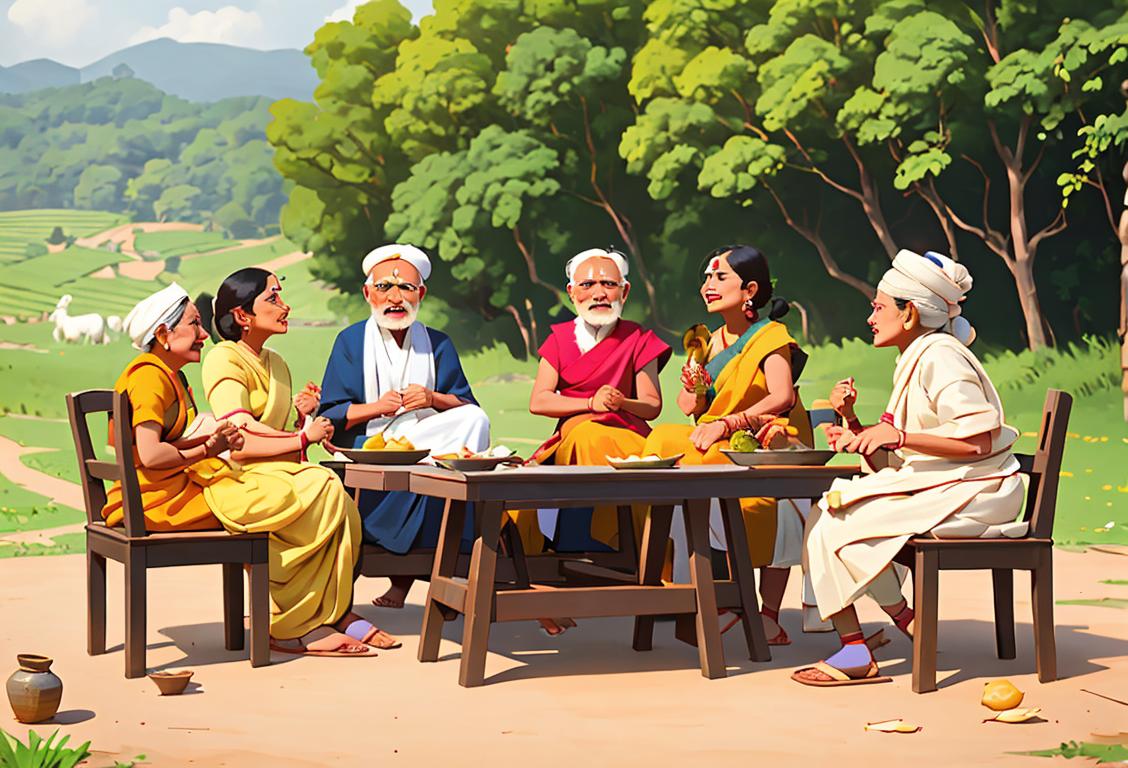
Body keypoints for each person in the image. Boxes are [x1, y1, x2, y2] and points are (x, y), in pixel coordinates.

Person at [793, 249, 1026, 687]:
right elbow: (899, 460)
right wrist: (854, 426)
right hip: (948, 485)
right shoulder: (917, 356)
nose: (871, 317)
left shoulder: (942, 357)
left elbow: (976, 441)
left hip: (977, 491)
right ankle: (900, 622)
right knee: (830, 513)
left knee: (833, 516)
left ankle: (858, 649)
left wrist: (896, 437)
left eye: (878, 307)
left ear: (910, 313)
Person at [107, 283, 379, 658]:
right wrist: (211, 447)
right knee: (303, 493)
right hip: (158, 500)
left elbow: (164, 447)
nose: (205, 335)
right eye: (194, 325)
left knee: (316, 489)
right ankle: (290, 625)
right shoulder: (149, 377)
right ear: (163, 335)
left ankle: (321, 613)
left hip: (175, 487)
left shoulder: (170, 375)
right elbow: (151, 457)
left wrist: (218, 440)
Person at [642, 245, 814, 644]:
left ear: (750, 288)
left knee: (698, 458)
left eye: (720, 278)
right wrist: (696, 389)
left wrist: (727, 423)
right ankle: (701, 589)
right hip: (715, 440)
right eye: (706, 278)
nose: (709, 286)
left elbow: (782, 396)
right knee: (663, 439)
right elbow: (688, 407)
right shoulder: (705, 341)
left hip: (765, 442)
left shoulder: (771, 336)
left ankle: (753, 609)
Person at [318, 244, 490, 611]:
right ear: (367, 293)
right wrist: (377, 407)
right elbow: (331, 415)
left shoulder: (437, 343)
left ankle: (440, 571)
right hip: (373, 451)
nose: (395, 298)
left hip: (426, 449)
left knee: (475, 420)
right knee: (434, 461)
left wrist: (432, 398)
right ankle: (434, 575)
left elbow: (467, 408)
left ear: (421, 294)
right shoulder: (350, 341)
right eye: (384, 288)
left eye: (406, 289)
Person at [516, 247, 671, 553]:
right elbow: (540, 401)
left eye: (609, 285)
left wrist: (621, 402)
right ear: (571, 293)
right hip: (575, 435)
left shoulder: (638, 338)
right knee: (586, 435)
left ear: (624, 292)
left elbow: (652, 405)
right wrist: (589, 404)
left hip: (627, 435)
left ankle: (642, 554)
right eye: (588, 285)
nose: (599, 293)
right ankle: (588, 545)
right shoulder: (559, 338)